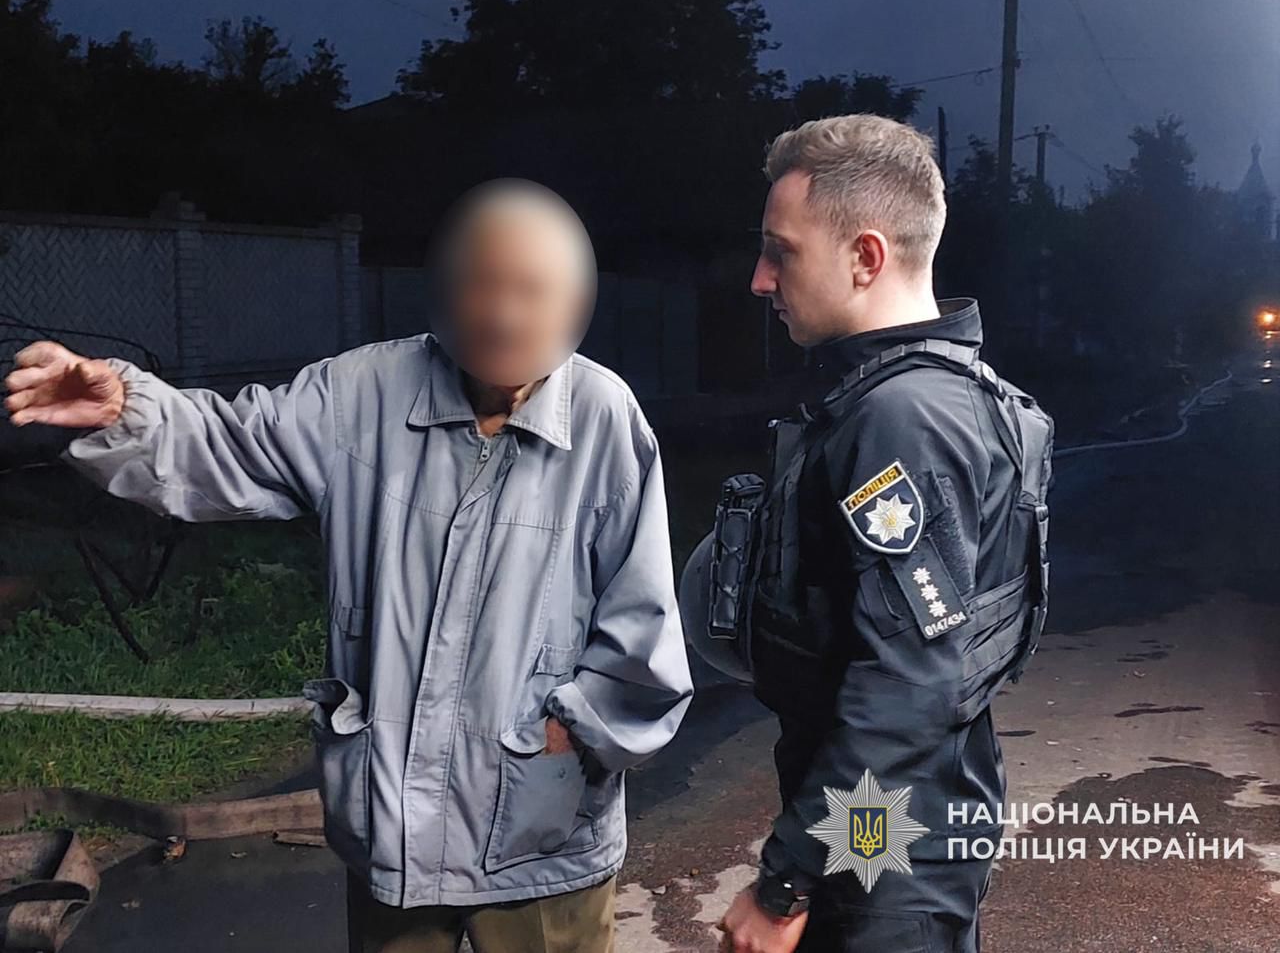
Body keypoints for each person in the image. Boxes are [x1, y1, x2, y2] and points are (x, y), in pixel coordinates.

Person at [4, 179, 694, 953]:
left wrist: (574, 732)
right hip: (393, 832)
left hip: (541, 837)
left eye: (531, 291)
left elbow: (642, 619)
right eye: (482, 285)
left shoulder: (605, 420)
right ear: (445, 289)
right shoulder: (361, 394)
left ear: (573, 301)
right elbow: (232, 444)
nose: (503, 314)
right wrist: (124, 410)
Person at [710, 115, 1053, 952]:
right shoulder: (941, 395)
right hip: (894, 829)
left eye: (781, 252)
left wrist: (786, 883)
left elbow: (908, 686)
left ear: (865, 257)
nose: (760, 280)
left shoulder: (902, 419)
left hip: (891, 851)